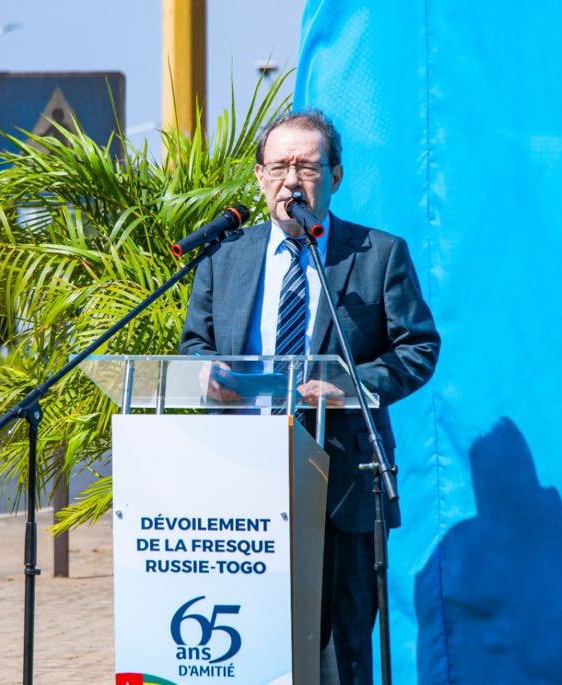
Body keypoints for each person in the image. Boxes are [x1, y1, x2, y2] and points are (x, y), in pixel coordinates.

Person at [180, 110, 440, 684]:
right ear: (258, 176)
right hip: (240, 481)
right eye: (278, 166)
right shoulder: (225, 257)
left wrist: (352, 388)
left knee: (340, 654)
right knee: (248, 644)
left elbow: (417, 348)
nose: (290, 180)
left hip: (343, 479)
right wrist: (206, 373)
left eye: (306, 166)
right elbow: (195, 344)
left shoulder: (376, 254)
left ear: (336, 175)